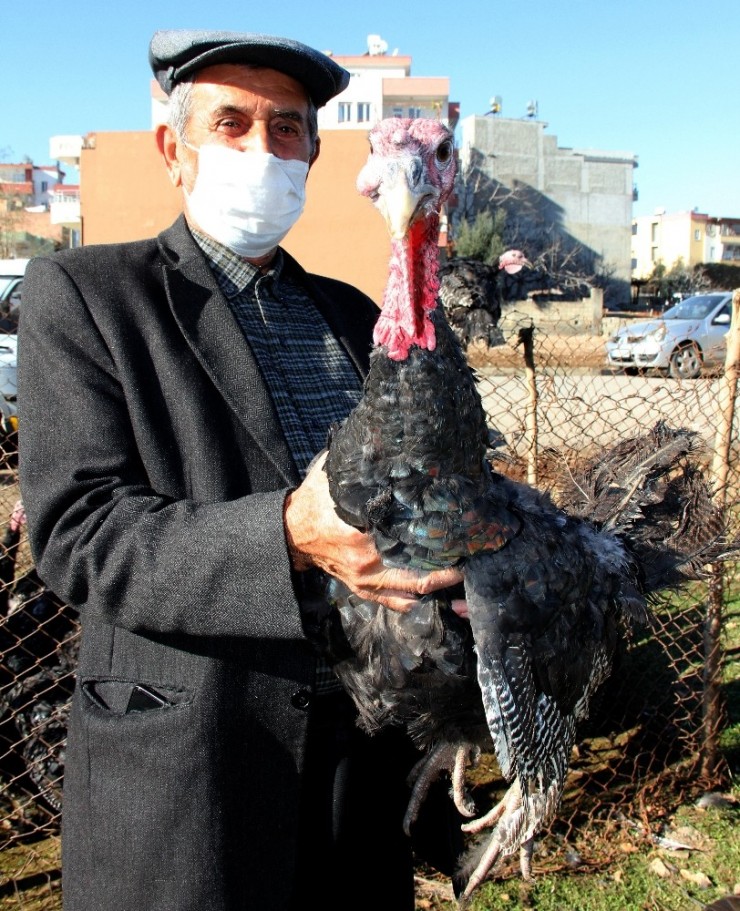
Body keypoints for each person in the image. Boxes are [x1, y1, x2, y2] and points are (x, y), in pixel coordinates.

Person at [18, 29, 464, 911]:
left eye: (287, 129)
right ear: (171, 151)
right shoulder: (87, 296)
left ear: (313, 153)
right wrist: (289, 536)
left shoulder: (351, 313)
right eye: (232, 123)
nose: (264, 151)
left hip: (358, 771)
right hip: (190, 774)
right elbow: (80, 532)